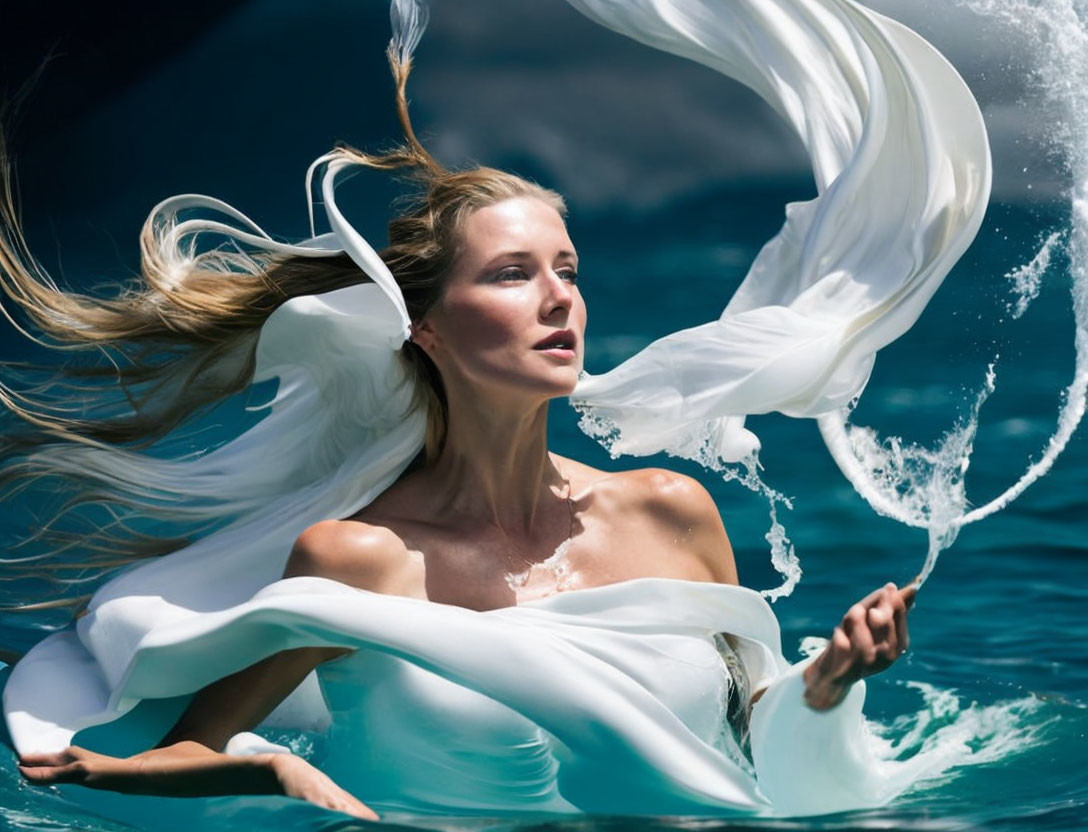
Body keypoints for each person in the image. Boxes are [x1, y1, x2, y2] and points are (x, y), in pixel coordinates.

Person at [6, 41, 915, 826]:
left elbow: (747, 742)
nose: (560, 297)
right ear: (426, 328)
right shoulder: (362, 563)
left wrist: (829, 679)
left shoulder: (671, 514)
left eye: (567, 268)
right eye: (514, 274)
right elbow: (171, 757)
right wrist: (270, 766)